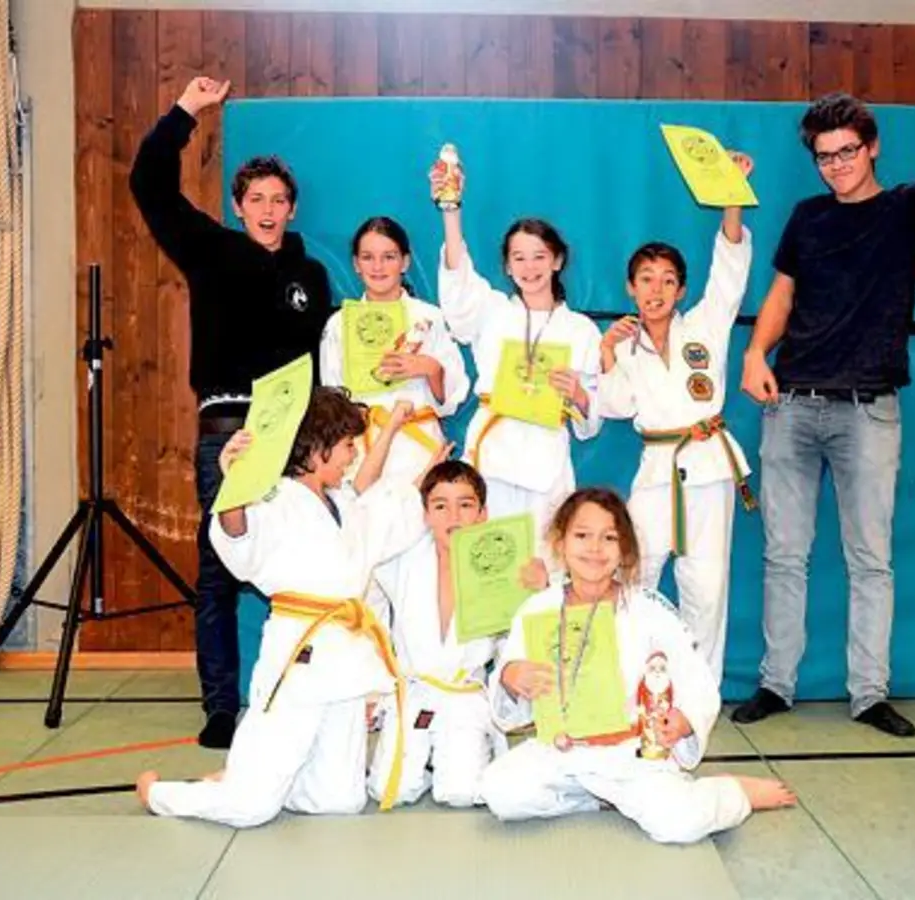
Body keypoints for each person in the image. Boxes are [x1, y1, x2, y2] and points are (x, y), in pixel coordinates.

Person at [730, 17, 915, 736]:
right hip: (790, 405)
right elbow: (783, 297)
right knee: (783, 554)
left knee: (870, 560)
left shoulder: (910, 210)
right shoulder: (806, 217)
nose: (837, 165)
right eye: (825, 156)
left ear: (872, 146)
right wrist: (756, 354)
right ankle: (776, 684)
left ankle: (869, 693)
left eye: (848, 151)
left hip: (868, 411)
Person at [129, 75, 333, 748]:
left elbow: (325, 360)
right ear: (239, 205)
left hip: (296, 437)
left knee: (304, 562)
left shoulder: (312, 278)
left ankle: (304, 692)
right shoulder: (211, 250)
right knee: (220, 569)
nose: (268, 209)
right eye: (256, 199)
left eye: (279, 199)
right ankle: (221, 704)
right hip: (228, 431)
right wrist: (187, 111)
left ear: (293, 207)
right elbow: (149, 186)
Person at [135, 388, 445, 827]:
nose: (352, 455)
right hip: (298, 657)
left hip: (346, 663)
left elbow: (386, 517)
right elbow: (239, 535)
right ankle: (165, 793)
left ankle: (248, 778)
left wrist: (428, 482)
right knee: (250, 810)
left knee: (340, 800)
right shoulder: (273, 498)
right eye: (347, 447)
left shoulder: (342, 504)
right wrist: (235, 483)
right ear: (317, 450)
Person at [478, 488, 797, 845]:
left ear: (625, 550)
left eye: (609, 538)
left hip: (632, 755)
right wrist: (510, 677)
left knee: (680, 825)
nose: (595, 548)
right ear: (560, 542)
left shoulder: (650, 610)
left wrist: (684, 720)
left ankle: (732, 793)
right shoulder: (537, 610)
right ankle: (601, 798)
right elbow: (511, 689)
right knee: (500, 791)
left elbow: (697, 681)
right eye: (582, 535)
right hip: (562, 750)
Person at [597, 149, 757, 684]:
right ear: (630, 287)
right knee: (635, 576)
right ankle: (630, 684)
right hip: (655, 470)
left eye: (668, 280)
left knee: (707, 587)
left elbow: (731, 272)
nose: (656, 290)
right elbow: (617, 406)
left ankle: (699, 694)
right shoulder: (623, 343)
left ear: (682, 290)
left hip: (708, 467)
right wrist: (604, 355)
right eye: (646, 279)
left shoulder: (707, 326)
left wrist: (732, 197)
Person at [430, 158, 604, 555]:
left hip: (547, 461)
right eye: (519, 258)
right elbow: (458, 283)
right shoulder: (492, 310)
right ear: (507, 266)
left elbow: (591, 421)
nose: (530, 267)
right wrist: (450, 210)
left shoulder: (581, 330)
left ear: (557, 261)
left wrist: (578, 393)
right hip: (493, 455)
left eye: (540, 256)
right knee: (488, 567)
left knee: (548, 565)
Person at [365, 459, 546, 808]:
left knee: (461, 794)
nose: (454, 517)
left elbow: (520, 640)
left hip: (463, 694)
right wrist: (373, 689)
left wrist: (540, 590)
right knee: (390, 791)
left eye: (465, 505)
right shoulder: (399, 559)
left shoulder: (507, 566)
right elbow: (368, 521)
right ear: (425, 514)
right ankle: (425, 758)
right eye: (440, 506)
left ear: (483, 513)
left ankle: (459, 752)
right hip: (415, 691)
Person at [320, 216, 471, 490]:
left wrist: (429, 368)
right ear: (355, 264)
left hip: (418, 448)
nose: (378, 267)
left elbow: (452, 398)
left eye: (389, 257)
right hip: (361, 450)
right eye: (368, 257)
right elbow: (333, 398)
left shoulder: (429, 317)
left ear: (405, 261)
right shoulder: (339, 324)